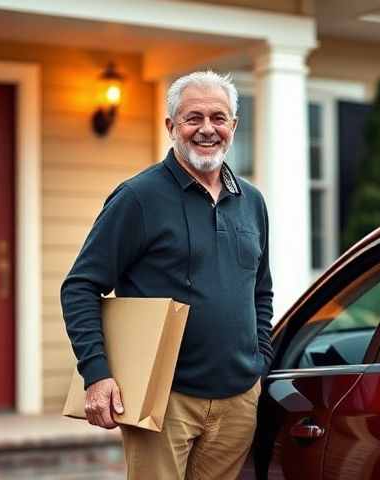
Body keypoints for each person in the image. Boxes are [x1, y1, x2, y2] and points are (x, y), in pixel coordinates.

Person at [61, 70, 273, 479]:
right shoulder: (138, 198)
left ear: (234, 125)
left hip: (238, 398)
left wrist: (259, 361)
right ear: (171, 126)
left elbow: (260, 291)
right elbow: (80, 287)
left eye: (218, 117)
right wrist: (98, 373)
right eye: (193, 118)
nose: (206, 129)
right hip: (163, 397)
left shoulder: (253, 202)